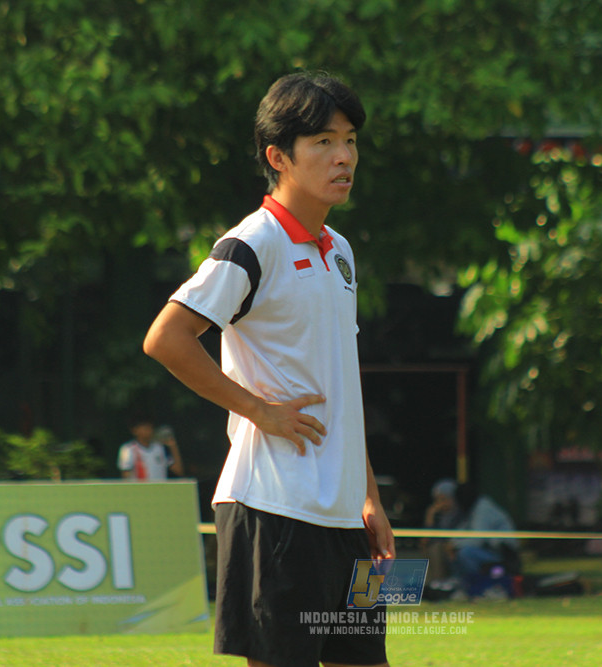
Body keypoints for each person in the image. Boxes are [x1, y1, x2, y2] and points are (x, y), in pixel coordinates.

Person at [143, 71, 393, 667]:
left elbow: (339, 384)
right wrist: (258, 410)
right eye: (324, 142)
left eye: (351, 140)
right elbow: (166, 339)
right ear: (278, 156)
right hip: (273, 508)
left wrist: (369, 499)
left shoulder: (341, 250)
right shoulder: (251, 245)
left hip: (342, 514)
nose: (344, 157)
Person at [421, 478, 463, 585]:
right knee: (433, 547)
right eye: (437, 500)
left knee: (438, 547)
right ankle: (434, 584)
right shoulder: (438, 516)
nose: (440, 504)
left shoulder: (461, 514)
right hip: (442, 548)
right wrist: (429, 517)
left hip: (457, 548)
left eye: (443, 499)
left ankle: (442, 583)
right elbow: (425, 540)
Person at [117, 415, 184, 480]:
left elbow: (178, 470)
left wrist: (173, 447)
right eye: (145, 428)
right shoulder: (128, 449)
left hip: (160, 490)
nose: (148, 431)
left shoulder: (160, 448)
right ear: (135, 430)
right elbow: (125, 476)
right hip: (140, 490)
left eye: (150, 427)